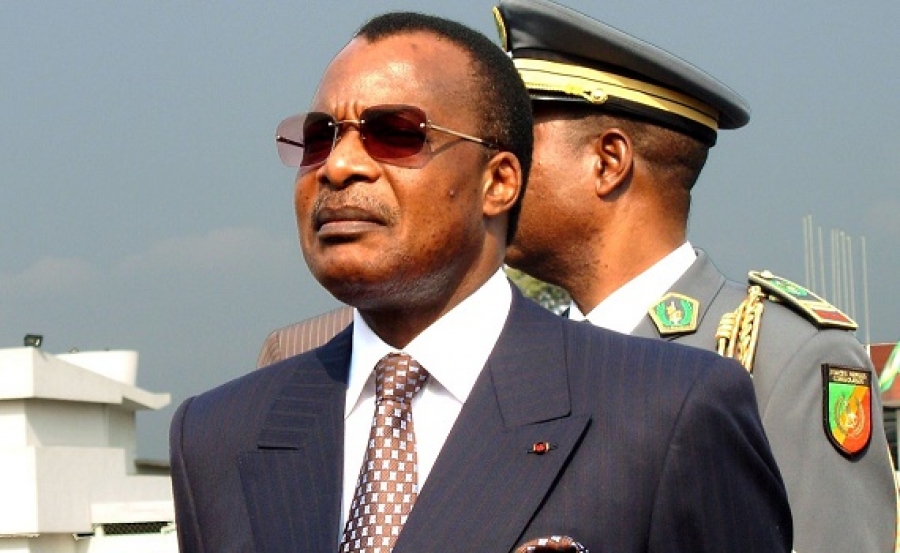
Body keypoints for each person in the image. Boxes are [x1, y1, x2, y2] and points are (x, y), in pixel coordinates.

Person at [171, 10, 792, 552]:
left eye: (395, 134)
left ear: (498, 182)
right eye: (317, 138)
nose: (339, 166)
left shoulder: (665, 411)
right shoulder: (218, 434)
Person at [493, 1, 896, 552]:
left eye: (517, 147)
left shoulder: (783, 359)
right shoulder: (521, 362)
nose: (494, 173)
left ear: (608, 162)